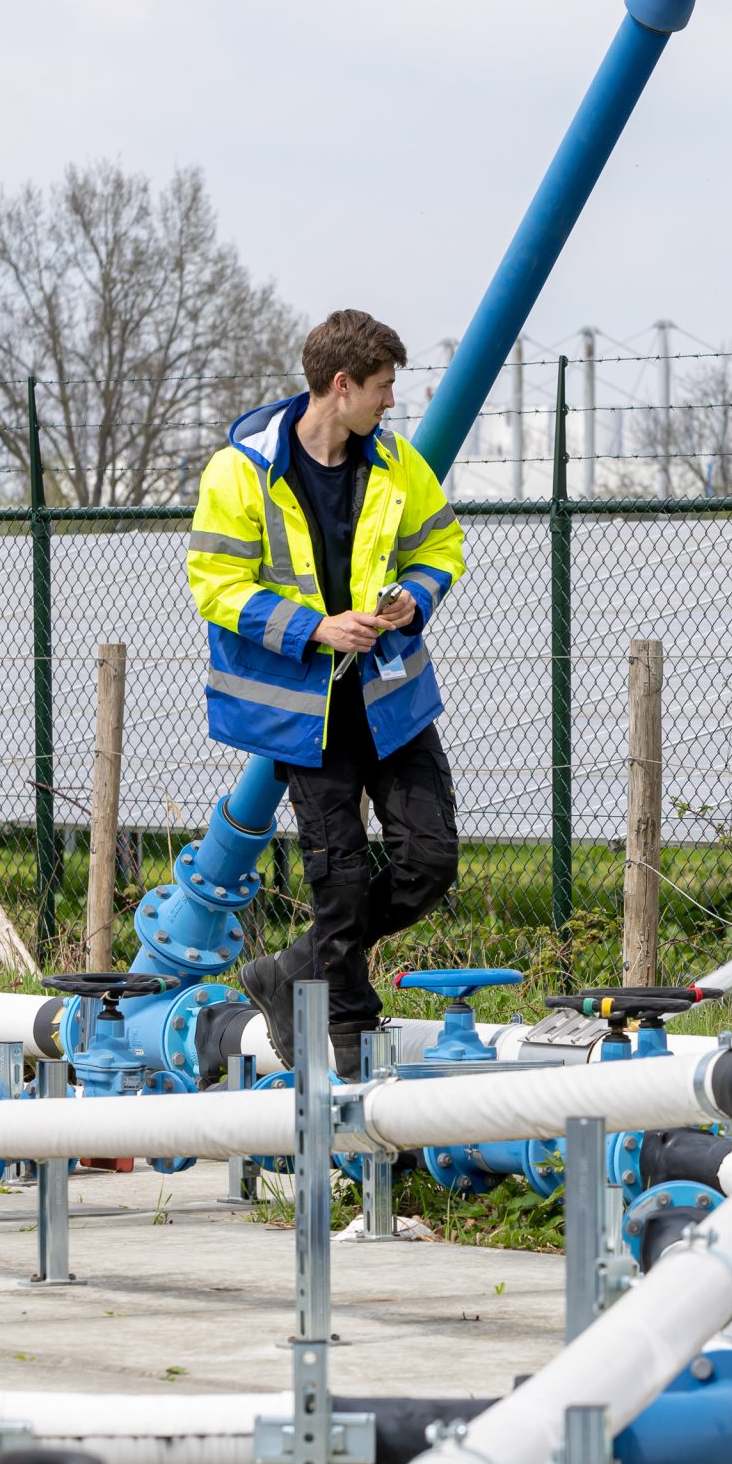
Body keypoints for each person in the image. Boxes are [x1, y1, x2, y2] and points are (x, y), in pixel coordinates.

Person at [187, 309, 466, 1075]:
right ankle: (344, 1029)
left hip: (389, 697)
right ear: (340, 386)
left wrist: (415, 594)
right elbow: (215, 586)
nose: (391, 402)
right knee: (337, 878)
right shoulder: (238, 471)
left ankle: (293, 966)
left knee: (430, 860)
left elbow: (441, 543)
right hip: (304, 711)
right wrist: (315, 629)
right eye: (382, 388)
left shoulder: (395, 461)